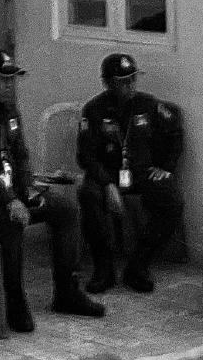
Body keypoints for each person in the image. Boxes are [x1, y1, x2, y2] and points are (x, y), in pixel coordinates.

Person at [0, 47, 105, 332]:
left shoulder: (8, 111)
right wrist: (10, 200)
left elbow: (20, 154)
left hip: (10, 196)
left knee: (65, 209)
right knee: (10, 222)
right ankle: (12, 302)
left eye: (12, 79)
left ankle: (67, 292)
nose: (10, 85)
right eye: (3, 79)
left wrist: (28, 187)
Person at [77, 52, 185, 294]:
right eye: (122, 82)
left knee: (172, 201)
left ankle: (138, 265)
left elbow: (174, 134)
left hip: (141, 173)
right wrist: (107, 184)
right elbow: (85, 156)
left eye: (132, 80)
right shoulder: (94, 110)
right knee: (89, 195)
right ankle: (103, 270)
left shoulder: (148, 105)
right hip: (107, 175)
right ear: (107, 83)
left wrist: (166, 167)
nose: (129, 86)